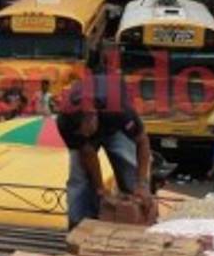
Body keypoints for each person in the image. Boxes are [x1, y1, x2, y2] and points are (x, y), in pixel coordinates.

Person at [57, 77, 152, 227]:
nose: (87, 136)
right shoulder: (64, 121)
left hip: (115, 128)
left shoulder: (119, 110)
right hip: (90, 124)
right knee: (78, 178)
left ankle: (139, 219)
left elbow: (142, 141)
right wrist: (100, 189)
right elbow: (87, 152)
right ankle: (79, 226)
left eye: (88, 131)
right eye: (82, 134)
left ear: (93, 115)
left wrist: (142, 183)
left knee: (129, 170)